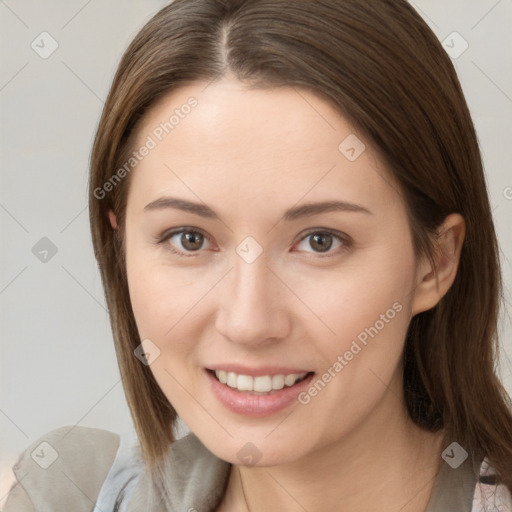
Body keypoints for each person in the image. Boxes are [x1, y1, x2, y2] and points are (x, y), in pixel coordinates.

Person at [5, 0, 512, 510]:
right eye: (189, 238)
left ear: (436, 261)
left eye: (320, 241)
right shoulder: (64, 496)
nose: (248, 323)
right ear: (120, 247)